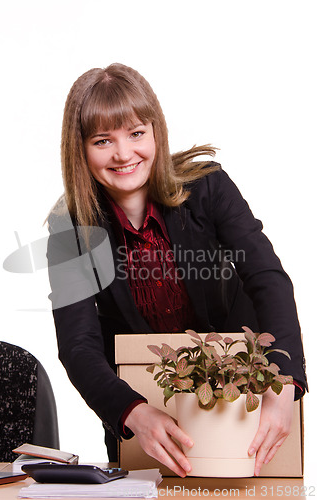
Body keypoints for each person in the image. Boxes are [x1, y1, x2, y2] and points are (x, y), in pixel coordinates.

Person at [46, 63, 307, 477]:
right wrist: (131, 412)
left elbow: (266, 277)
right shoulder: (70, 230)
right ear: (79, 149)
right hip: (141, 420)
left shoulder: (209, 186)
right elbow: (78, 346)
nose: (123, 153)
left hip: (244, 400)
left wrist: (285, 382)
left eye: (136, 133)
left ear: (156, 131)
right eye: (102, 140)